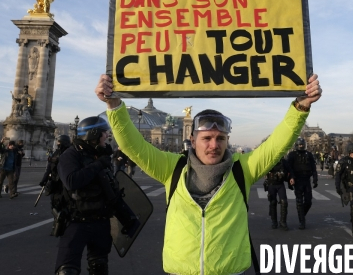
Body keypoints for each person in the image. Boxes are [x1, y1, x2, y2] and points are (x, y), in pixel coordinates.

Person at [95, 73, 321, 275]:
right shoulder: (172, 167)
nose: (214, 145)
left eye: (220, 138)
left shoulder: (243, 168)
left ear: (227, 141)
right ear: (192, 140)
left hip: (230, 271)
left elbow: (277, 145)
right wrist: (114, 106)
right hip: (182, 271)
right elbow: (132, 145)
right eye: (207, 138)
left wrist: (300, 107)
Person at [55, 117, 122, 275]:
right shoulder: (71, 155)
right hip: (76, 220)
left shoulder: (100, 155)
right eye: (104, 132)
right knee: (67, 270)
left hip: (100, 220)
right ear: (94, 134)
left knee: (99, 267)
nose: (107, 136)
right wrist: (98, 165)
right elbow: (71, 181)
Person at [39, 135, 72, 236]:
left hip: (62, 183)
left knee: (60, 205)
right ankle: (58, 225)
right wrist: (44, 180)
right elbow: (49, 168)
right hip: (57, 182)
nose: (58, 144)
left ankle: (59, 225)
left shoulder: (67, 154)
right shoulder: (66, 153)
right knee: (56, 204)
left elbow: (49, 169)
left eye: (59, 142)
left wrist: (44, 180)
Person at [287, 137, 318, 230]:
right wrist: (291, 178)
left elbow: (313, 168)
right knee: (299, 201)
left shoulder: (309, 154)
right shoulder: (292, 155)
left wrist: (315, 179)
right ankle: (302, 221)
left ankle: (301, 215)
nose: (301, 146)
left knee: (308, 201)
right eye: (300, 145)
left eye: (302, 145)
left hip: (306, 179)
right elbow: (289, 168)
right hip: (297, 180)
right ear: (296, 145)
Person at [264, 156, 291, 230]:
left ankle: (283, 222)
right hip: (271, 183)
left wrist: (291, 178)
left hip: (280, 184)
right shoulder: (269, 160)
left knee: (284, 202)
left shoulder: (283, 161)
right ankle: (274, 221)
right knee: (273, 202)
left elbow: (289, 170)